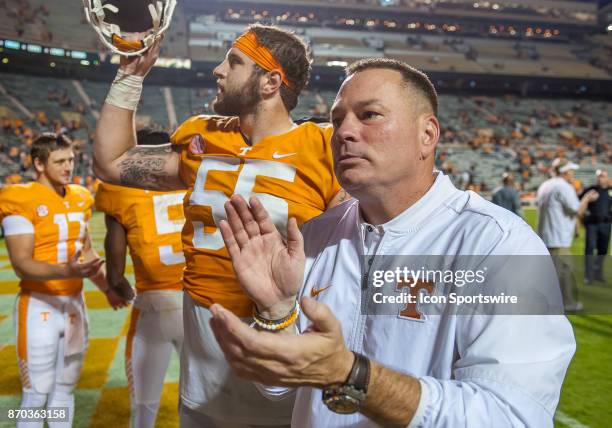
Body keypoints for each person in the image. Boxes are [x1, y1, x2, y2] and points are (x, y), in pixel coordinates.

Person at [208, 58, 577, 427]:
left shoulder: (498, 245)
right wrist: (276, 312)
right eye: (337, 120)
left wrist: (351, 375)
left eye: (369, 115)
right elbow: (278, 388)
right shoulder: (316, 236)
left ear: (427, 135)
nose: (342, 133)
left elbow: (512, 417)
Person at [92, 24, 347, 426]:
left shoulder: (324, 147)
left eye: (234, 61)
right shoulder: (204, 136)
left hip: (282, 355)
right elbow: (111, 163)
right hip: (203, 365)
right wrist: (129, 77)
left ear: (271, 82)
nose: (217, 70)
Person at [0, 133, 127, 428]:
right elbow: (22, 264)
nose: (69, 166)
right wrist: (68, 272)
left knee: (64, 390)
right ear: (39, 164)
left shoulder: (81, 197)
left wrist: (108, 288)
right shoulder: (20, 197)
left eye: (71, 159)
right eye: (60, 161)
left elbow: (85, 252)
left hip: (74, 306)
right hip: (38, 307)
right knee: (36, 395)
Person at [95, 129, 186, 428]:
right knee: (204, 402)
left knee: (144, 408)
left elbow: (116, 274)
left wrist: (128, 292)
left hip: (153, 304)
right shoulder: (192, 180)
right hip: (201, 305)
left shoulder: (120, 189)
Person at [537, 158, 598, 311]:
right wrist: (587, 198)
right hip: (558, 238)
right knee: (562, 275)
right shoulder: (563, 186)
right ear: (564, 171)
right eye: (571, 170)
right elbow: (577, 210)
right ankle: (567, 304)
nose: (573, 173)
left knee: (551, 274)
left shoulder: (545, 184)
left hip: (545, 237)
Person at [581, 169, 611, 284]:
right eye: (599, 176)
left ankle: (598, 274)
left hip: (606, 225)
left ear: (607, 178)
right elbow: (580, 204)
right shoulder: (590, 190)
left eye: (603, 176)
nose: (600, 178)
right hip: (592, 225)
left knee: (602, 250)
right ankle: (588, 276)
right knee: (590, 249)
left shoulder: (610, 191)